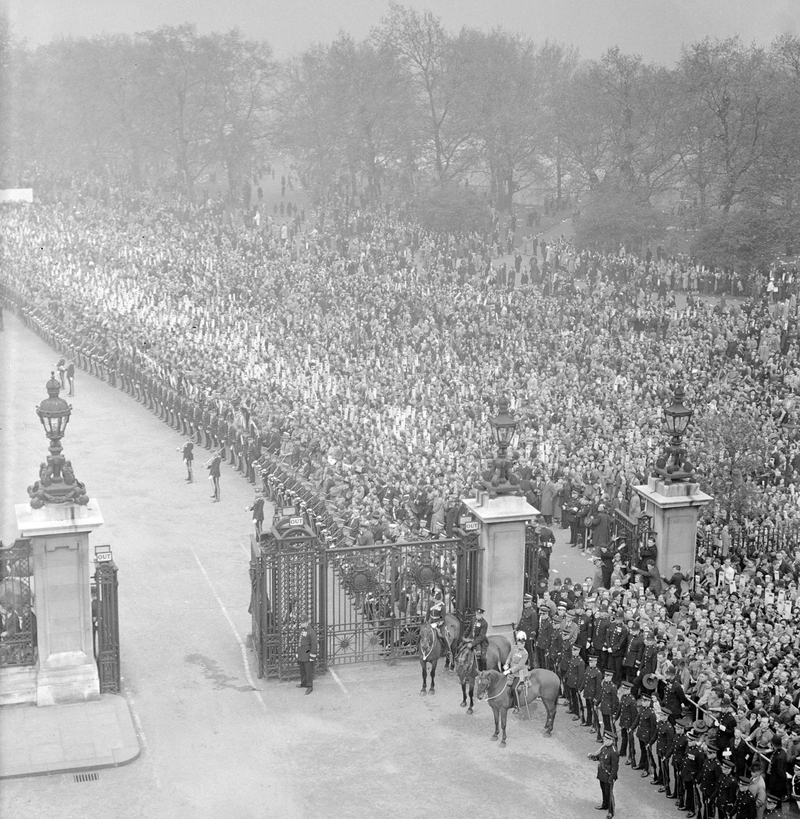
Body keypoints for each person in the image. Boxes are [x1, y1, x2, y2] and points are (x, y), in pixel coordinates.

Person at [588, 730, 620, 819]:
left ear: (611, 740)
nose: (604, 740)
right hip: (602, 773)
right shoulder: (604, 747)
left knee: (609, 793)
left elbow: (615, 767)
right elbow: (601, 757)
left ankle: (611, 811)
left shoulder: (614, 752)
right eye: (604, 739)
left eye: (606, 739)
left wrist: (611, 778)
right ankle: (604, 804)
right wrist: (593, 757)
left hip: (608, 775)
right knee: (603, 790)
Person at [503, 631, 529, 713]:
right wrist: (506, 664)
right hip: (511, 670)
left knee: (514, 688)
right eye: (520, 642)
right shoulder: (514, 647)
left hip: (519, 673)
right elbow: (509, 657)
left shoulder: (525, 653)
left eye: (523, 643)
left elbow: (520, 666)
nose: (522, 644)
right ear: (517, 642)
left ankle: (517, 706)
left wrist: (510, 670)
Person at [515, 592, 537, 668]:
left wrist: (532, 635)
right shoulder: (525, 610)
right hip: (523, 632)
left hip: (528, 634)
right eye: (524, 603)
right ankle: (525, 662)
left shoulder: (533, 612)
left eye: (526, 602)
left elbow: (534, 625)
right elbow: (522, 620)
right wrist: (517, 628)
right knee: (522, 648)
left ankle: (531, 664)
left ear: (530, 602)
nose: (525, 604)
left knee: (529, 650)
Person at [296, 615, 317, 694]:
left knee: (308, 671)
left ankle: (309, 686)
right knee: (302, 670)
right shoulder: (301, 630)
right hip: (301, 653)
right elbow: (299, 642)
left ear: (307, 622)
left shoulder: (311, 632)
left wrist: (312, 656)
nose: (302, 624)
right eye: (301, 623)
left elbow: (314, 645)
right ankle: (303, 683)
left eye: (304, 623)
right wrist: (298, 653)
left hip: (307, 654)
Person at [464, 606, 488, 670]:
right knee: (460, 648)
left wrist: (472, 644)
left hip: (479, 641)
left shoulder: (484, 623)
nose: (478, 616)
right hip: (471, 638)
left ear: (482, 615)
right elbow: (469, 628)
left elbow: (481, 637)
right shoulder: (473, 618)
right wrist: (464, 636)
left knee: (482, 657)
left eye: (479, 614)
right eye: (477, 614)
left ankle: (482, 670)